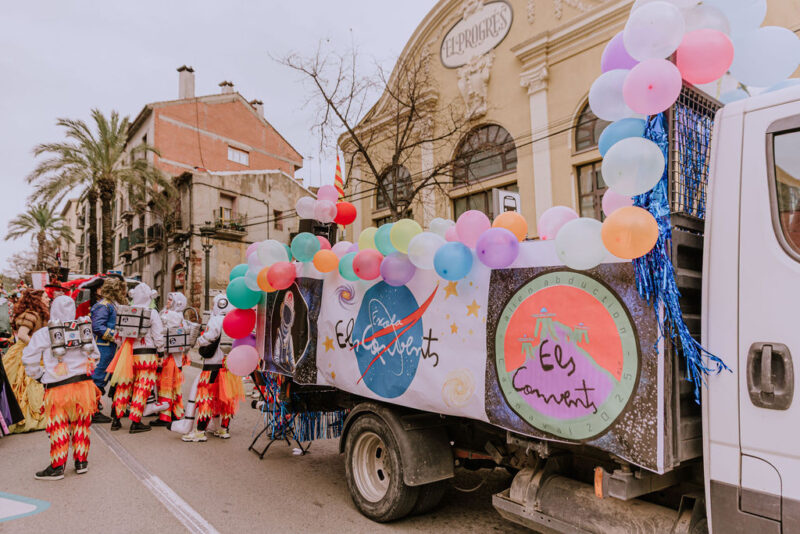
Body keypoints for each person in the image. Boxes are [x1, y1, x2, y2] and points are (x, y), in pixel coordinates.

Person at [22, 296, 101, 480]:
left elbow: (29, 357)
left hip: (57, 388)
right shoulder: (83, 330)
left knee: (59, 427)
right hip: (83, 386)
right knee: (81, 424)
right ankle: (81, 462)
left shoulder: (45, 333)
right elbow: (95, 356)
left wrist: (39, 374)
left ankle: (57, 467)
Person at [182, 293, 243, 442]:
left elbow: (209, 337)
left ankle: (200, 431)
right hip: (229, 365)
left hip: (212, 364)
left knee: (206, 396)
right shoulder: (235, 319)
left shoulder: (216, 319)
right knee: (227, 398)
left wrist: (199, 341)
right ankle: (223, 429)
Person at [108, 282, 165, 433]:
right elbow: (158, 336)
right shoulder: (152, 312)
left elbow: (118, 336)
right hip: (147, 355)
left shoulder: (125, 311)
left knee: (124, 385)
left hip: (128, 354)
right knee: (142, 386)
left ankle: (116, 420)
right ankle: (135, 421)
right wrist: (161, 352)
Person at [1, 289, 51, 433]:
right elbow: (22, 334)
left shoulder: (38, 314)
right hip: (25, 352)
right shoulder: (31, 314)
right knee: (26, 383)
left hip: (32, 351)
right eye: (46, 297)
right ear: (37, 299)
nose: (48, 299)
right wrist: (36, 346)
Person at [89, 278, 127, 424]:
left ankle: (118, 407)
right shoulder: (103, 306)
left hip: (114, 348)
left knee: (116, 378)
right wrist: (115, 336)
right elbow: (97, 326)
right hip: (103, 348)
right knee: (99, 378)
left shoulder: (113, 305)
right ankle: (92, 410)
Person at [151, 292, 189, 428]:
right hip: (175, 357)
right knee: (174, 386)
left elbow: (163, 333)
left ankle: (165, 415)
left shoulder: (170, 315)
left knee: (165, 386)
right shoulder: (179, 315)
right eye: (168, 299)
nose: (167, 301)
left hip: (169, 357)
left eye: (170, 299)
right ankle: (175, 411)